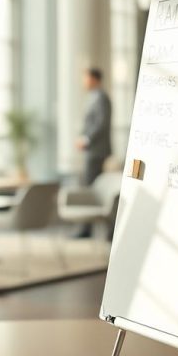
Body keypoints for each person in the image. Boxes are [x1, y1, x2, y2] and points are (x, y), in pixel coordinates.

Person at [74, 67, 112, 238]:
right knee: (91, 187)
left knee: (93, 189)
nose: (83, 82)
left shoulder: (101, 98)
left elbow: (101, 124)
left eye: (86, 78)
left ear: (95, 79)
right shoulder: (92, 97)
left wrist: (86, 139)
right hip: (92, 151)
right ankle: (89, 228)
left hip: (97, 151)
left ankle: (90, 229)